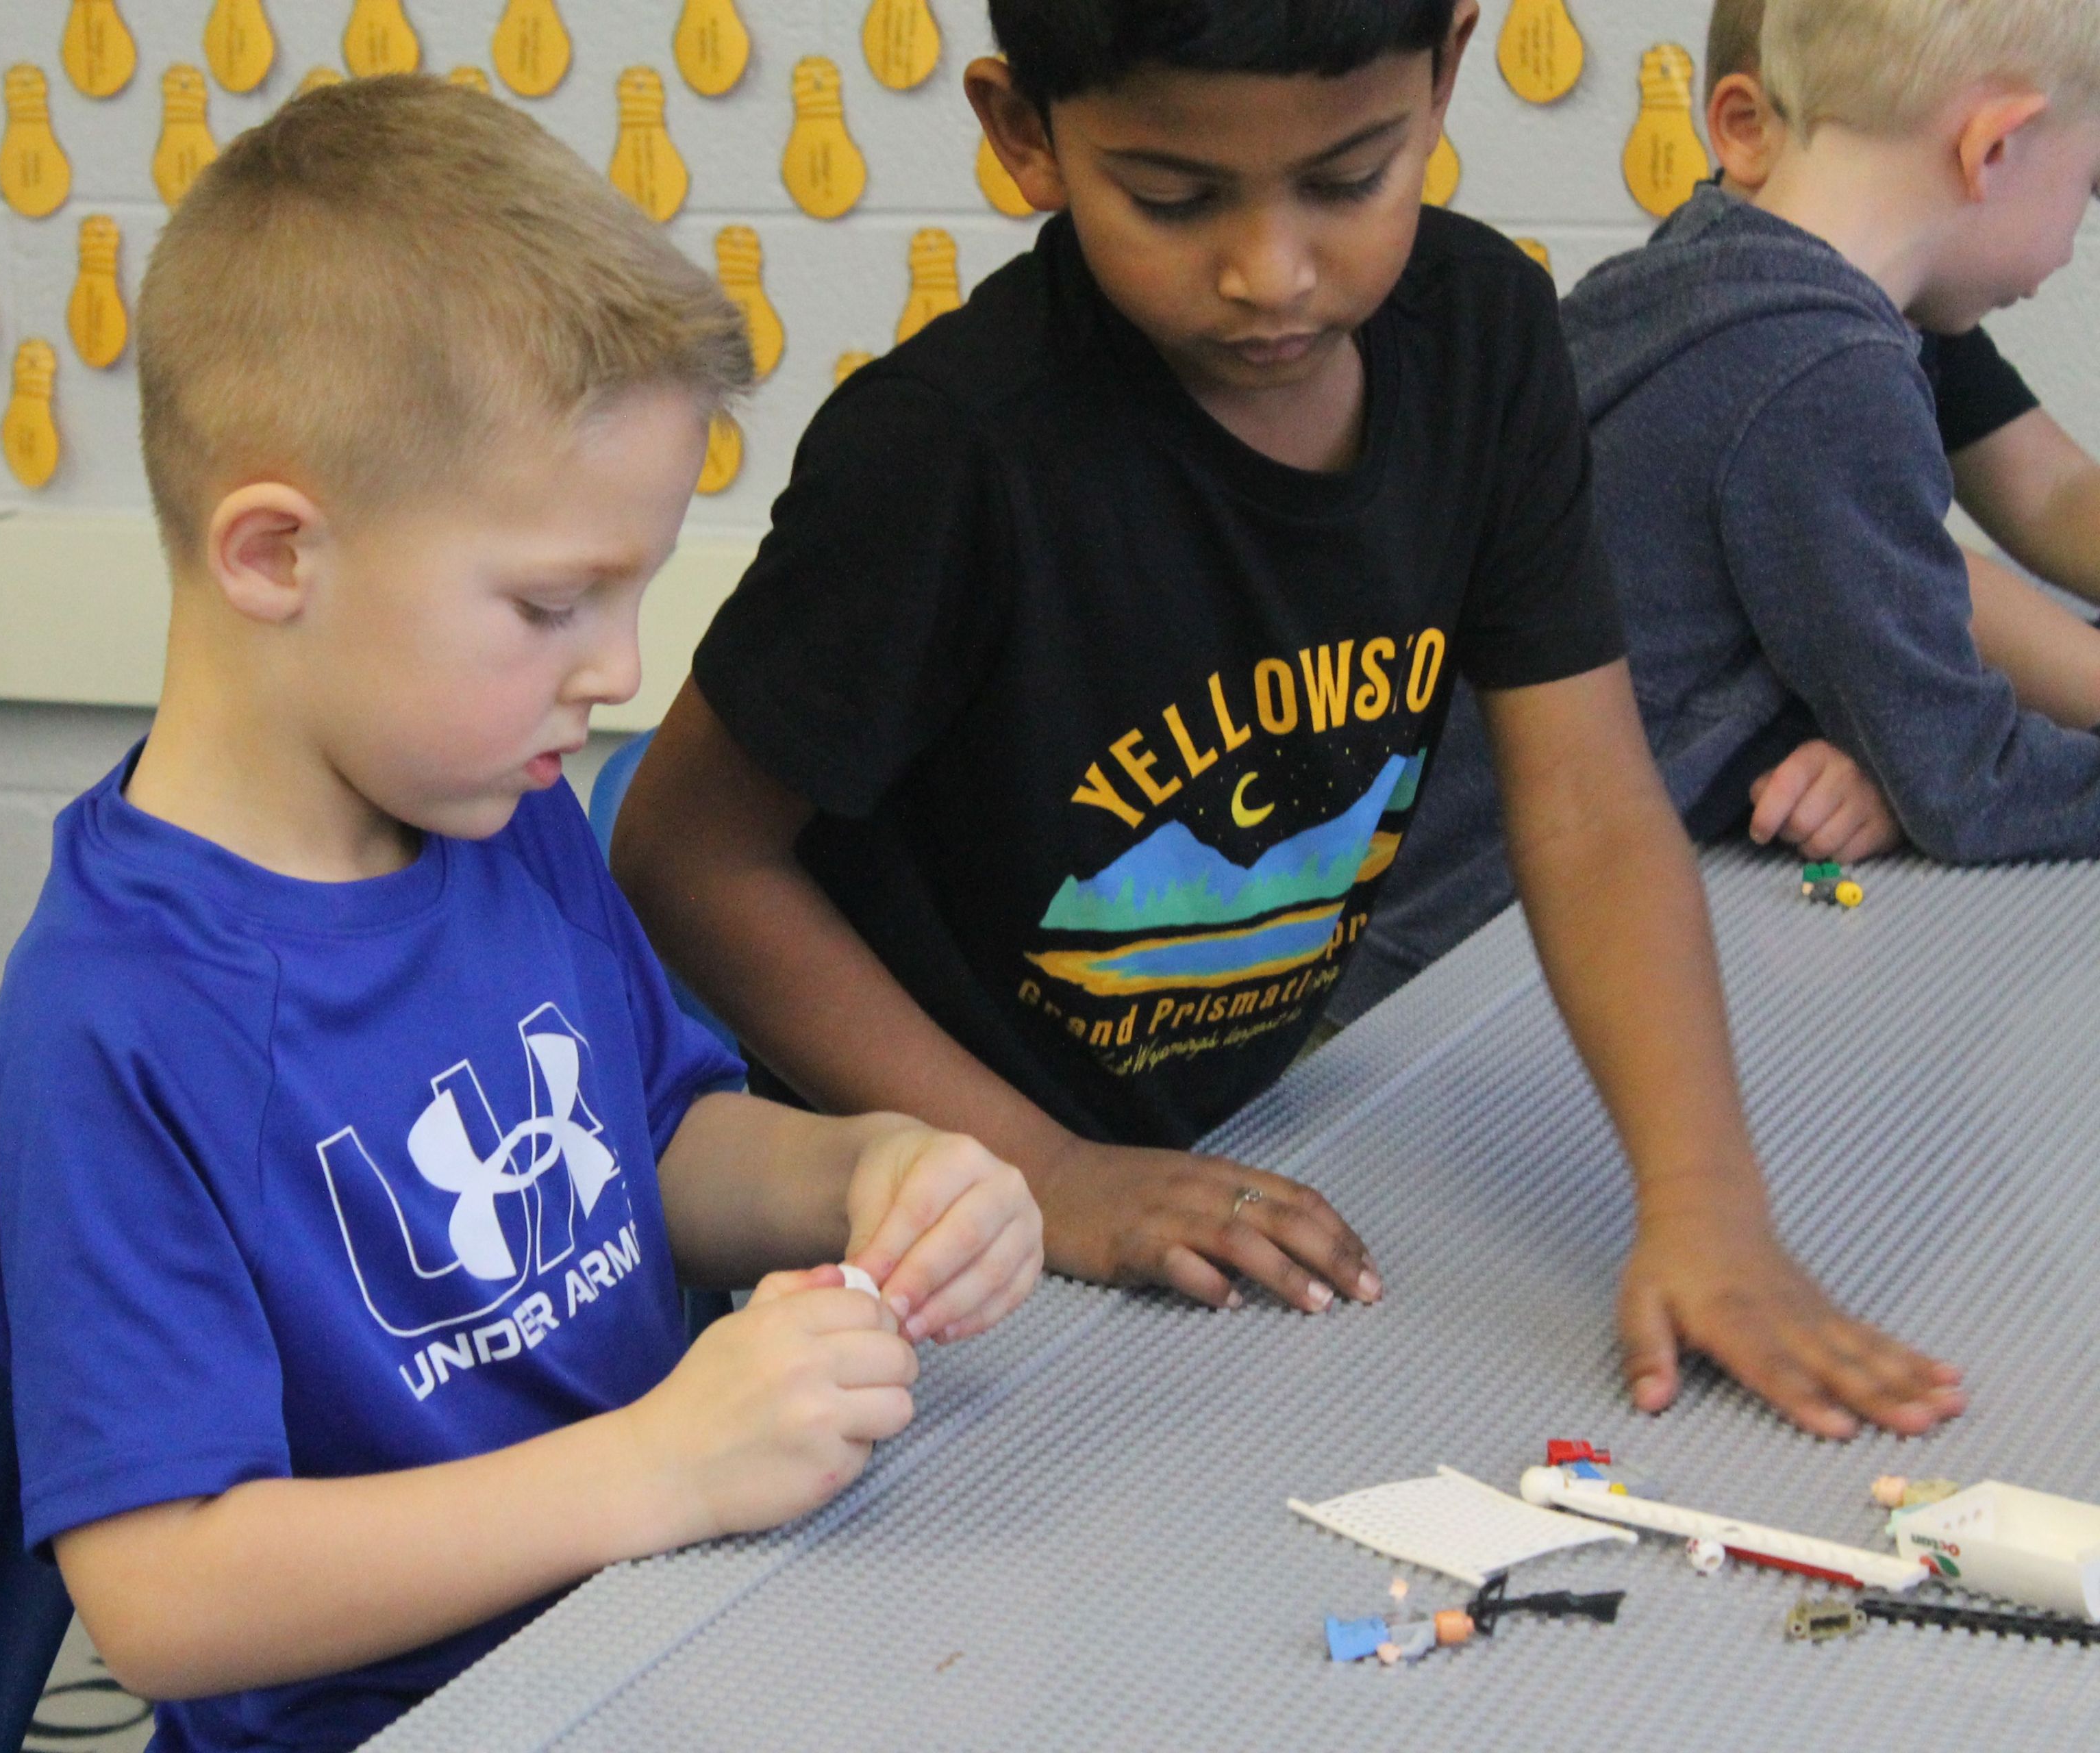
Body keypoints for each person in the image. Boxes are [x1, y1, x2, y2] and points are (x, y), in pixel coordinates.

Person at [612, 0, 1961, 1440]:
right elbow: (685, 853)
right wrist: (1048, 1170)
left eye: (1347, 179)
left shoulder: (1486, 340)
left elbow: (1586, 802)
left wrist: (1707, 1206)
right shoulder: (946, 454)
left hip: (1210, 1156)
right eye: (1175, 199)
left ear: (1445, 73)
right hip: (915, 1238)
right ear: (1025, 136)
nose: (1272, 273)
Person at [0, 79, 1042, 1752]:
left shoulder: (508, 810)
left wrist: (866, 1166)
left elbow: (657, 1144)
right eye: (552, 602)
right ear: (273, 554)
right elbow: (164, 1596)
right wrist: (657, 1463)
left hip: (659, 1628)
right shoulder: (117, 1020)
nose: (616, 669)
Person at [1348, 0, 2100, 1025]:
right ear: (1995, 146)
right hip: (1461, 974)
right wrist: (1919, 757)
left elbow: (1691, 636)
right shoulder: (1833, 374)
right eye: (2087, 186)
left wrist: (1884, 747)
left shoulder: (1693, 274)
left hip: (1388, 920)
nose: (2071, 239)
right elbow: (1971, 786)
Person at [1706, 0, 2100, 740]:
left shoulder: (1904, 302)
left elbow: (2052, 491)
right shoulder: (1791, 349)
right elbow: (1908, 579)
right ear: (1749, 127)